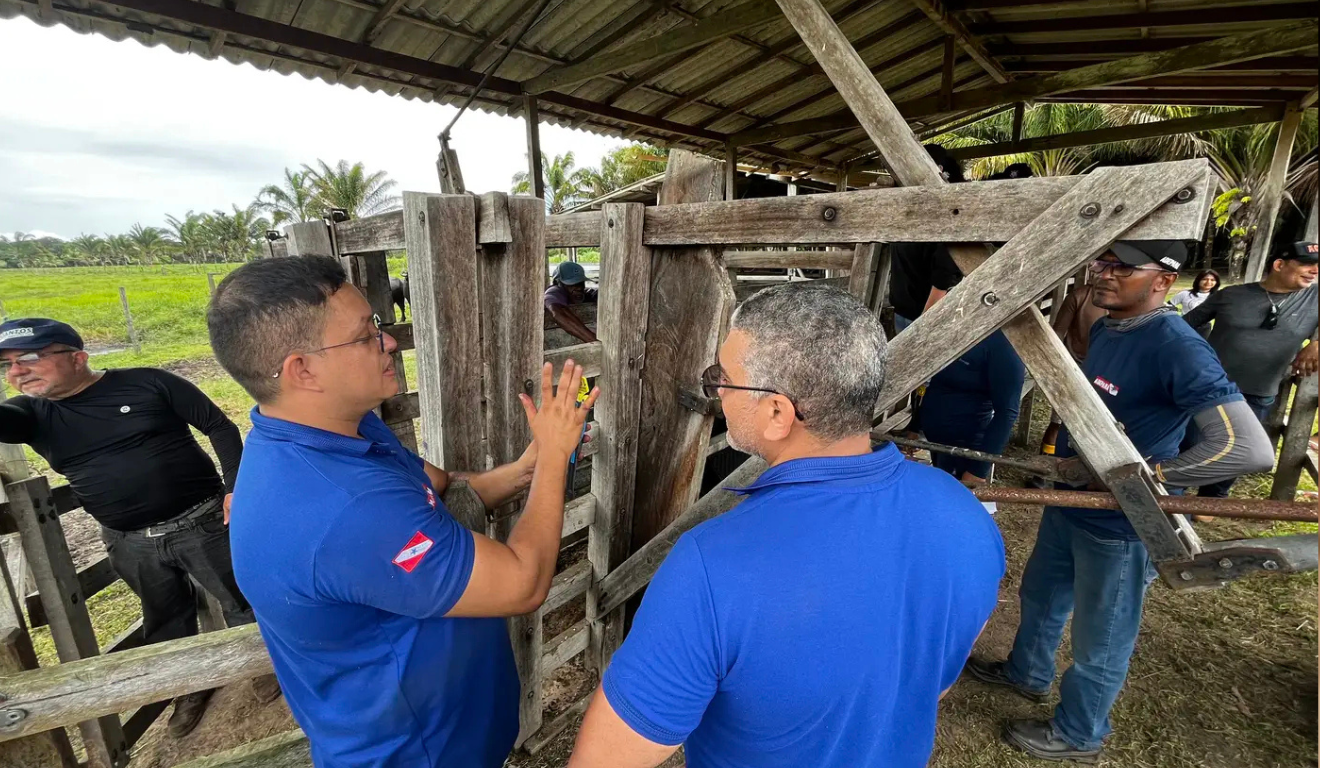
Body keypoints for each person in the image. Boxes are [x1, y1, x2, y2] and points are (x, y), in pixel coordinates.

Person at [567, 282, 1005, 768]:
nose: (717, 389)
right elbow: (934, 681)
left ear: (778, 412)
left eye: (723, 377)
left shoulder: (711, 566)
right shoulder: (966, 515)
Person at [207, 256, 597, 768]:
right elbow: (523, 584)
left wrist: (529, 465)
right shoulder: (347, 508)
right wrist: (552, 460)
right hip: (416, 753)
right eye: (363, 335)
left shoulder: (338, 431)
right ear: (303, 370)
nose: (387, 341)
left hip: (444, 731)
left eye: (376, 324)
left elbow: (441, 490)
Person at [964, 241, 1273, 763]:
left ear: (1163, 281)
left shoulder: (1177, 345)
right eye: (1101, 263)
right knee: (1041, 593)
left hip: (1122, 523)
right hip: (1072, 501)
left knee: (1101, 637)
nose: (1103, 275)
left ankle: (1081, 732)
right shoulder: (1108, 327)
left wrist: (1143, 479)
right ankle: (1027, 672)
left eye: (1123, 267)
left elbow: (1246, 448)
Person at [0, 318, 277, 738]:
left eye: (31, 358)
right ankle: (191, 687)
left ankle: (263, 665)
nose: (17, 372)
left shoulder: (149, 382)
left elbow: (219, 426)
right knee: (165, 619)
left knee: (242, 598)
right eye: (7, 364)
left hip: (203, 522)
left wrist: (236, 489)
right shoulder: (29, 414)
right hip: (129, 542)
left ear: (77, 357)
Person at [1180, 242, 1318, 499]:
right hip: (1209, 386)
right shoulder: (1231, 295)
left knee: (1237, 449)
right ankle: (1176, 487)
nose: (1314, 271)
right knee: (1190, 442)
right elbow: (1184, 325)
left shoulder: (1315, 297)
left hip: (1259, 390)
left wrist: (1317, 343)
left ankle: (1213, 498)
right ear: (1279, 265)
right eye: (1307, 264)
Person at [921, 330, 1025, 485]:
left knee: (955, 503)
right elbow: (935, 383)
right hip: (938, 444)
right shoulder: (961, 327)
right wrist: (916, 425)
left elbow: (1007, 412)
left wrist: (978, 470)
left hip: (965, 448)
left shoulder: (1004, 344)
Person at [545, 261, 599, 343]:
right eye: (572, 284)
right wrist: (594, 341)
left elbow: (592, 293)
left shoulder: (585, 293)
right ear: (557, 283)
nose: (579, 288)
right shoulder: (554, 291)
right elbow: (559, 313)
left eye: (581, 283)